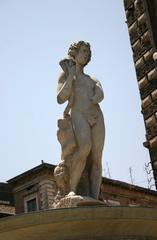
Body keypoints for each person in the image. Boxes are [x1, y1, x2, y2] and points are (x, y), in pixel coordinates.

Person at [57, 41, 105, 199]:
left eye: (87, 52)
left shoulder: (93, 78)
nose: (86, 54)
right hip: (78, 113)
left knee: (97, 157)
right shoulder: (65, 74)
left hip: (96, 116)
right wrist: (70, 76)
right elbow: (60, 98)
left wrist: (97, 93)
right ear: (74, 53)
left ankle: (94, 196)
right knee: (84, 148)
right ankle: (72, 189)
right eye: (83, 51)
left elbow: (101, 95)